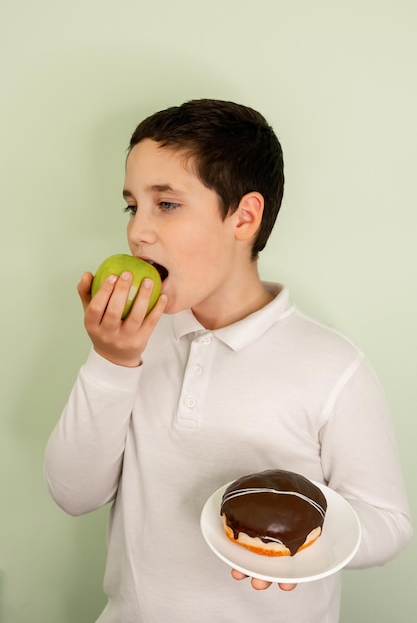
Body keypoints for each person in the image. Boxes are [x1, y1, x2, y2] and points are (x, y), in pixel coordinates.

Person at [44, 99, 412, 623]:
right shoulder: (134, 340)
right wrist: (111, 361)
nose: (137, 232)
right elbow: (73, 494)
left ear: (243, 217)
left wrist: (303, 534)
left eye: (166, 204)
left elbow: (391, 523)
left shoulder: (332, 365)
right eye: (133, 206)